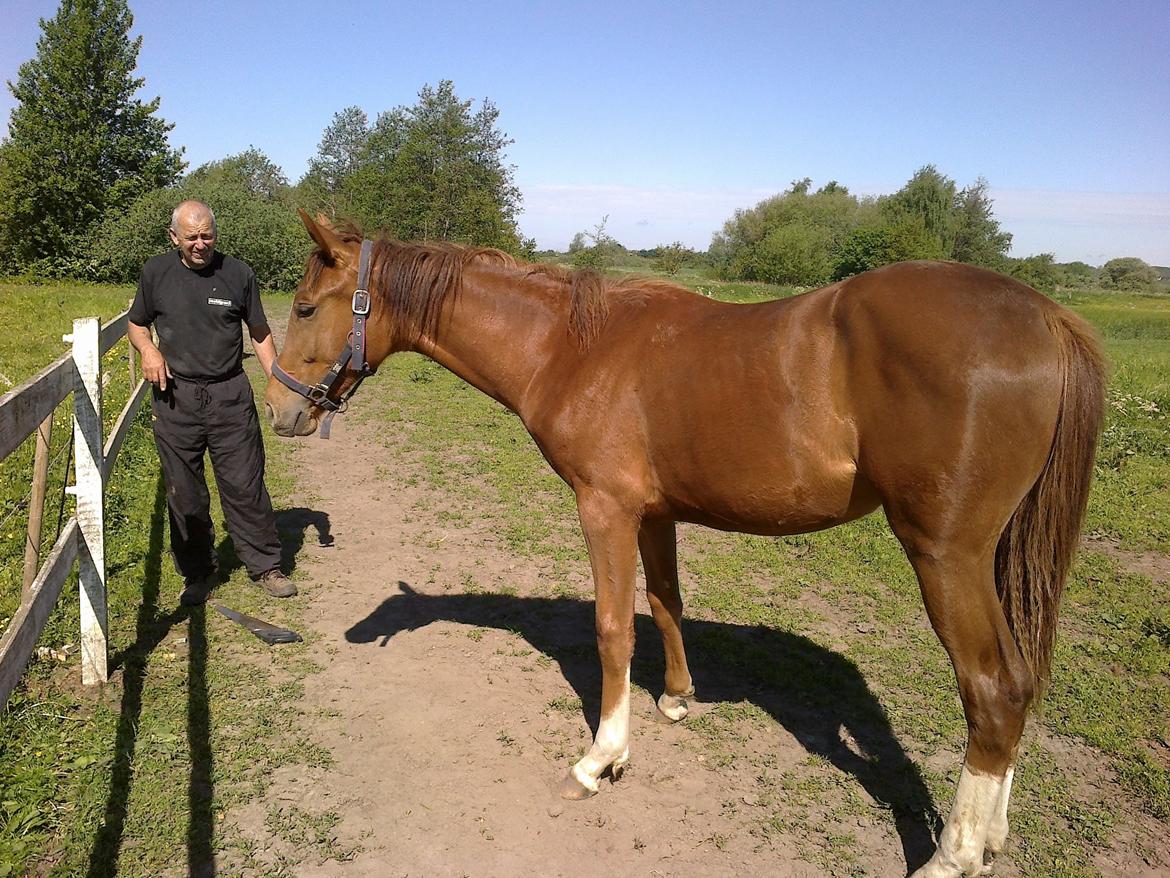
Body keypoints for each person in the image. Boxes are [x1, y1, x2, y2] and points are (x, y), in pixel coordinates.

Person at [128, 200, 296, 606]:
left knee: (244, 484)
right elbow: (136, 323)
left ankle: (265, 566)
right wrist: (149, 352)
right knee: (184, 492)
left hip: (229, 394)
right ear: (174, 238)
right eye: (191, 237)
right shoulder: (156, 273)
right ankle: (198, 572)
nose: (200, 244)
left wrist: (276, 377)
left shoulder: (238, 273)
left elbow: (258, 330)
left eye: (207, 236)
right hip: (175, 397)